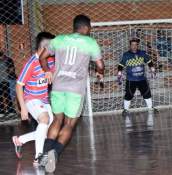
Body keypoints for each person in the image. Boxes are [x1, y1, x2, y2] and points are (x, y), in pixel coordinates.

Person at [38, 14, 105, 173]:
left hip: (58, 87)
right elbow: (100, 64)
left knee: (56, 120)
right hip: (75, 90)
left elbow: (42, 57)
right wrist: (100, 72)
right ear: (87, 27)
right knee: (68, 124)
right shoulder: (90, 43)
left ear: (74, 26)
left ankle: (45, 154)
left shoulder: (59, 39)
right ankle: (54, 153)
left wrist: (47, 71)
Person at [12, 32, 55, 165]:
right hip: (31, 99)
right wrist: (23, 108)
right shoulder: (31, 63)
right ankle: (38, 157)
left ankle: (20, 140)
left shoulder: (50, 60)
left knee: (46, 128)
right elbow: (19, 86)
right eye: (53, 47)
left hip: (43, 99)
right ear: (44, 48)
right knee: (44, 118)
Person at [118, 38, 156, 114]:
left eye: (136, 45)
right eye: (132, 45)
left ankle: (150, 108)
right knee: (129, 95)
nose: (134, 46)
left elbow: (149, 61)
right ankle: (125, 110)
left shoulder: (142, 53)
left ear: (137, 45)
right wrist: (119, 72)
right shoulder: (126, 55)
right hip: (131, 80)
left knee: (147, 93)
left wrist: (152, 68)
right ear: (130, 45)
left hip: (142, 79)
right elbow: (121, 64)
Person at [0, 51, 17, 116]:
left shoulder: (8, 59)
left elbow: (11, 70)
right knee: (2, 96)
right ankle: (2, 111)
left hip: (8, 80)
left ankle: (11, 111)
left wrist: (6, 71)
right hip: (2, 80)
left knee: (9, 95)